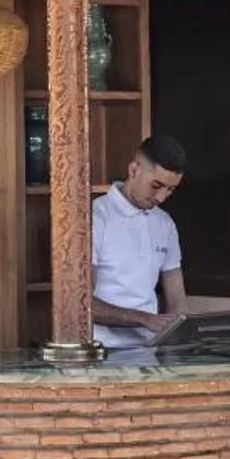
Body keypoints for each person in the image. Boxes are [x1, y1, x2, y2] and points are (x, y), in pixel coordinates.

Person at [91, 134, 189, 350]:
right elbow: (82, 304)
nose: (161, 198)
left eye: (170, 190)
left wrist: (181, 339)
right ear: (134, 170)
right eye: (156, 185)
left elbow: (177, 302)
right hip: (100, 349)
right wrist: (144, 319)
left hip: (150, 349)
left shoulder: (165, 224)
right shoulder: (95, 218)